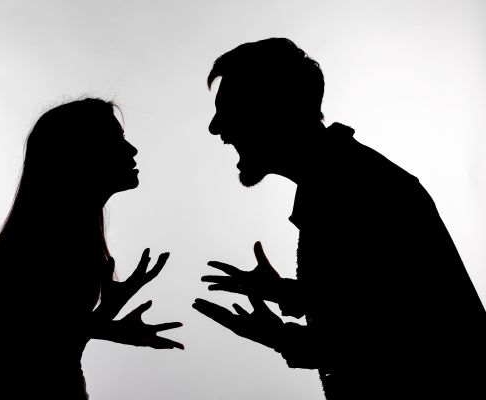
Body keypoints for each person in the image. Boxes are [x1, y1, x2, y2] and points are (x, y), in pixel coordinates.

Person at [193, 38, 486, 399]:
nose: (215, 127)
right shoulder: (340, 181)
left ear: (273, 110)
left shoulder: (357, 189)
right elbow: (370, 302)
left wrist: (280, 336)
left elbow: (403, 344)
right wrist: (288, 293)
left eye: (229, 109)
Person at [0, 98, 183, 400]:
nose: (132, 150)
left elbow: (47, 334)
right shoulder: (47, 236)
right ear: (80, 154)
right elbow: (38, 350)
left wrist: (104, 326)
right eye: (116, 140)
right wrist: (105, 319)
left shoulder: (61, 230)